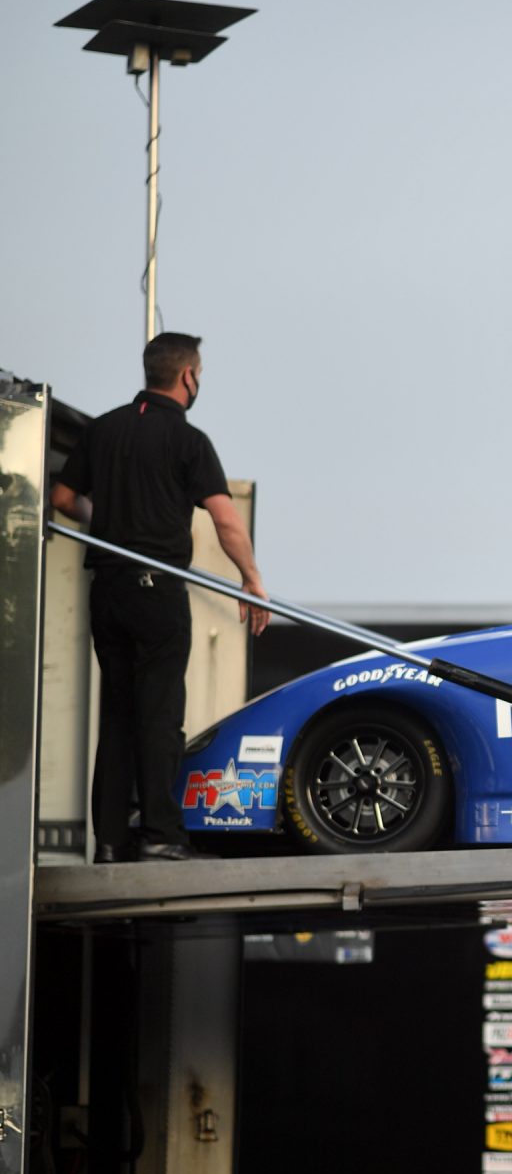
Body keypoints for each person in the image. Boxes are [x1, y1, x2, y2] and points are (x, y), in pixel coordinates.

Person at [50, 333, 269, 862]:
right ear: (187, 376)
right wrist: (252, 579)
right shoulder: (188, 441)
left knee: (118, 714)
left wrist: (101, 528)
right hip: (156, 591)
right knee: (159, 714)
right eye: (200, 374)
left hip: (108, 589)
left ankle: (109, 840)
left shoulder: (104, 429)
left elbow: (60, 497)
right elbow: (223, 517)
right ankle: (162, 834)